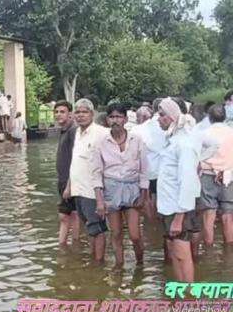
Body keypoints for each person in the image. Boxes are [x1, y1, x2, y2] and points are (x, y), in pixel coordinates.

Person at [93, 103, 149, 267]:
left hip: (132, 188)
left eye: (118, 116)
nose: (115, 120)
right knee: (116, 233)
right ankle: (119, 266)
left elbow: (144, 169)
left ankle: (140, 264)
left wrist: (144, 196)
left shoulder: (136, 140)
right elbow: (96, 172)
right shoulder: (101, 142)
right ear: (107, 120)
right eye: (112, 117)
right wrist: (99, 201)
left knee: (134, 235)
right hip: (111, 189)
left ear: (125, 119)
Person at [157, 97, 201, 282]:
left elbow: (188, 182)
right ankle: (180, 295)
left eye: (161, 115)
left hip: (178, 209)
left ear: (171, 117)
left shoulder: (183, 144)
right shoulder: (172, 140)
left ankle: (189, 298)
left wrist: (179, 218)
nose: (158, 119)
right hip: (168, 206)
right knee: (175, 253)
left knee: (182, 254)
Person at [67, 99, 109, 260]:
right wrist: (69, 187)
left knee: (97, 228)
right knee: (89, 227)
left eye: (84, 112)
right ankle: (94, 259)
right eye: (77, 112)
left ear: (92, 114)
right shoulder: (77, 133)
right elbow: (75, 161)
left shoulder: (102, 133)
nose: (80, 115)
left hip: (93, 191)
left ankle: (99, 263)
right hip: (78, 189)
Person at [198, 104, 233, 247]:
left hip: (208, 175)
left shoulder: (204, 133)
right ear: (224, 117)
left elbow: (198, 158)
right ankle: (229, 253)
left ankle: (209, 251)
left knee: (209, 215)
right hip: (229, 176)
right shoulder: (231, 132)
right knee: (228, 215)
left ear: (209, 118)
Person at [54, 100, 80, 246]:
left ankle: (68, 246)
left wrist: (70, 185)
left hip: (70, 181)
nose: (58, 115)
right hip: (63, 180)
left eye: (62, 112)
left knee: (68, 215)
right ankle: (68, 245)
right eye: (56, 112)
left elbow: (75, 159)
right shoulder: (64, 130)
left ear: (70, 114)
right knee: (68, 215)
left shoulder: (72, 131)